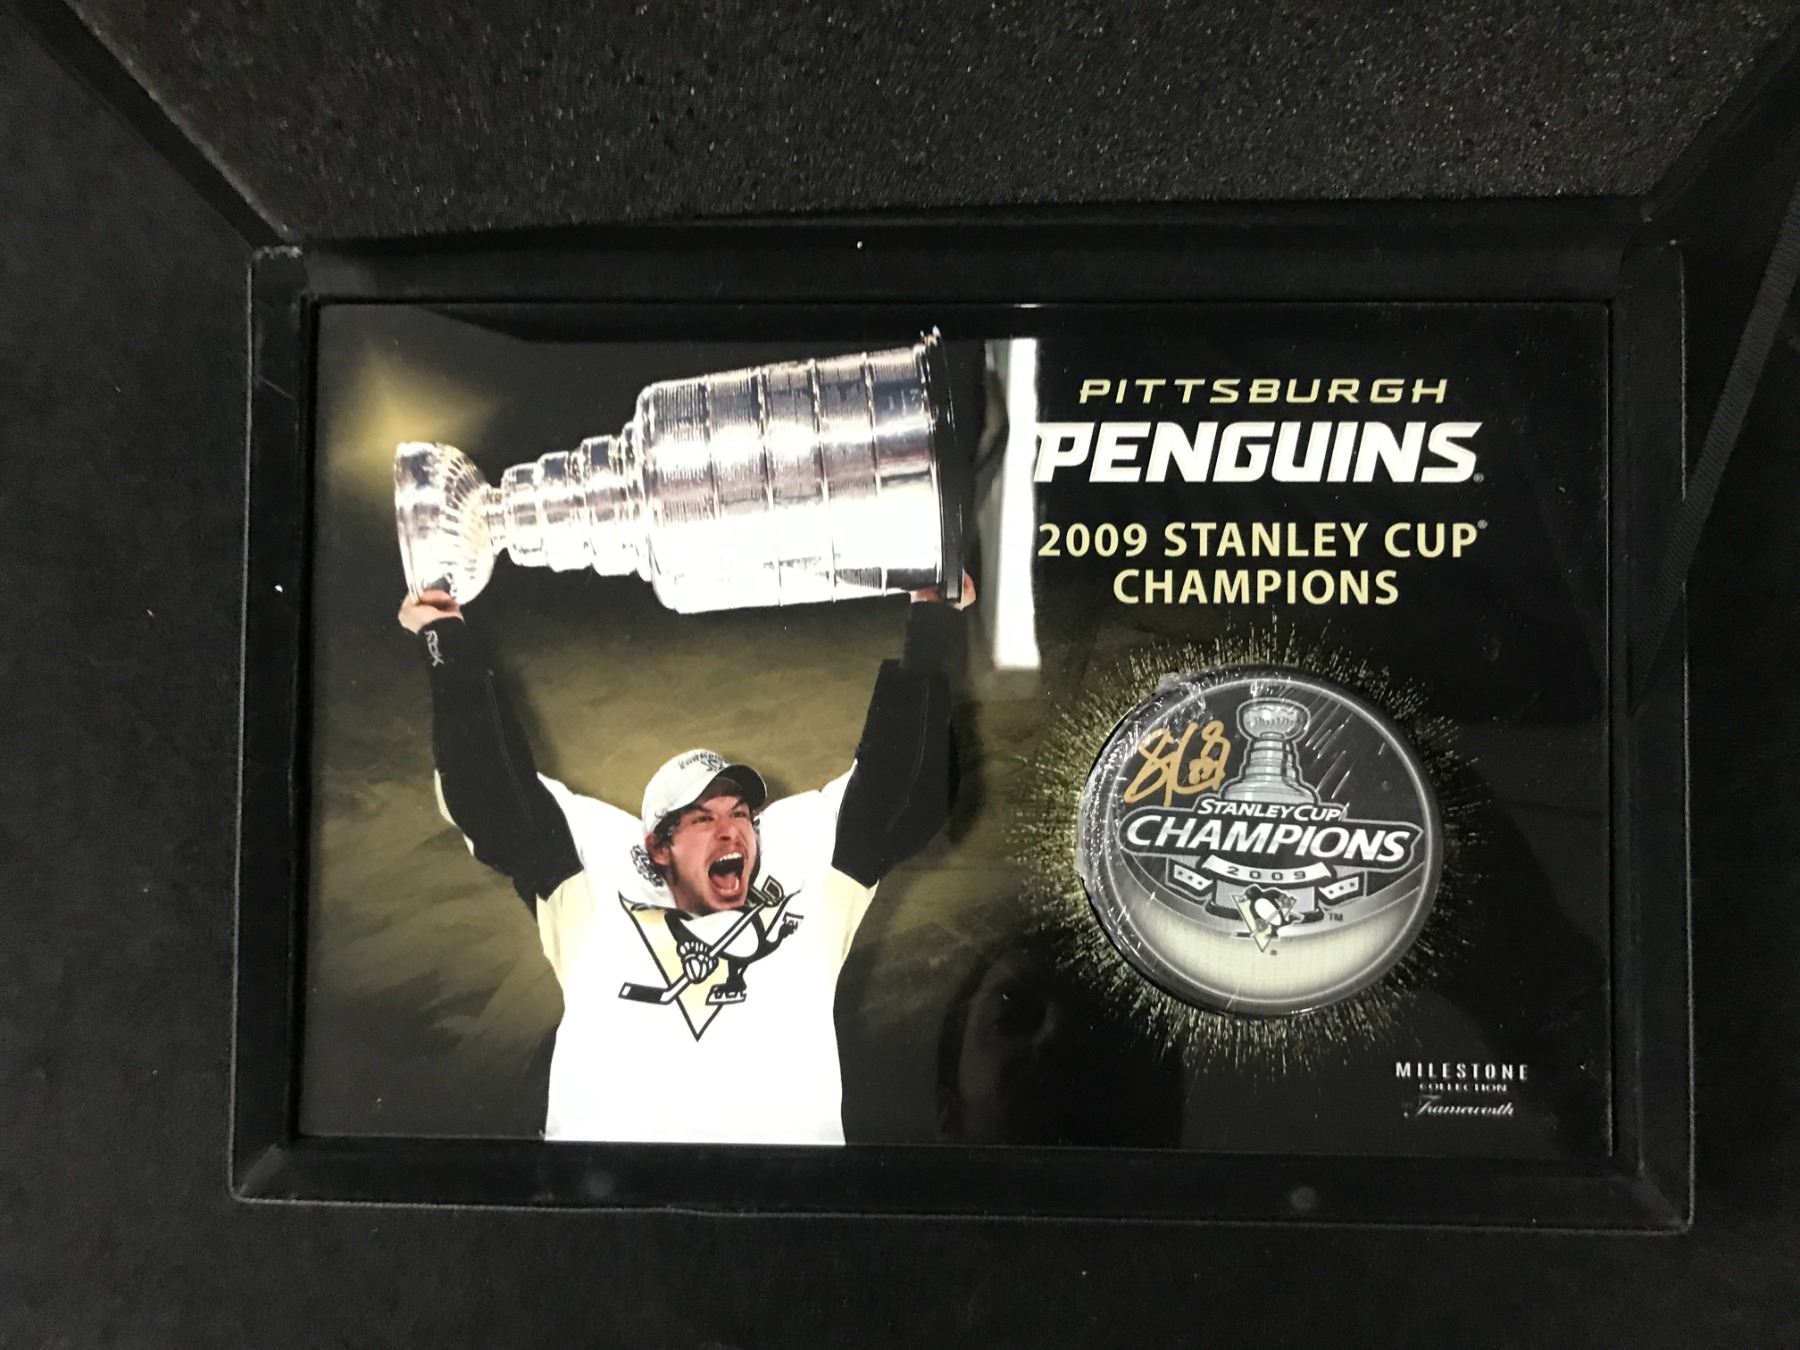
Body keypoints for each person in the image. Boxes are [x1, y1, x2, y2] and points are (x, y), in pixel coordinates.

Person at [398, 576, 972, 1145]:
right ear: (659, 846)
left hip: (782, 1190)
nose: (731, 829)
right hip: (608, 1191)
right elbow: (492, 793)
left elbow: (901, 788)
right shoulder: (597, 876)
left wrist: (934, 620)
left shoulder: (798, 869)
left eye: (740, 812)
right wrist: (447, 643)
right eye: (702, 818)